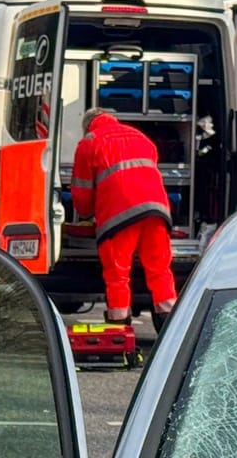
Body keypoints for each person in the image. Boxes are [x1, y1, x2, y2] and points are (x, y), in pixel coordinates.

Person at [71, 107, 177, 328]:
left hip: (118, 217)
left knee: (117, 275)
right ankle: (169, 326)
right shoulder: (140, 137)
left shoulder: (89, 142)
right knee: (160, 270)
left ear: (88, 126)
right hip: (156, 210)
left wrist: (85, 215)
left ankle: (119, 328)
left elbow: (82, 191)